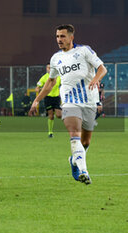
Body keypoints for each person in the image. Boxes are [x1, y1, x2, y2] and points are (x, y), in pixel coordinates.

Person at [29, 24, 107, 185]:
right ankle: (84, 171)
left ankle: (73, 160)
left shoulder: (84, 51)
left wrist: (95, 79)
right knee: (74, 134)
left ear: (71, 37)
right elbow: (50, 82)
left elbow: (102, 69)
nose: (59, 40)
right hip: (70, 102)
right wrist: (36, 100)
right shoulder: (55, 58)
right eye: (57, 36)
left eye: (62, 36)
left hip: (89, 102)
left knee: (85, 143)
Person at [35, 63, 62, 137]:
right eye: (48, 68)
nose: (49, 69)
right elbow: (37, 87)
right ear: (46, 69)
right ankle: (50, 133)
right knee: (51, 116)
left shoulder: (58, 77)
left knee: (59, 115)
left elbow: (63, 84)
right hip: (48, 98)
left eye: (51, 68)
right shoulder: (44, 77)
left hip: (56, 98)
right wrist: (38, 89)